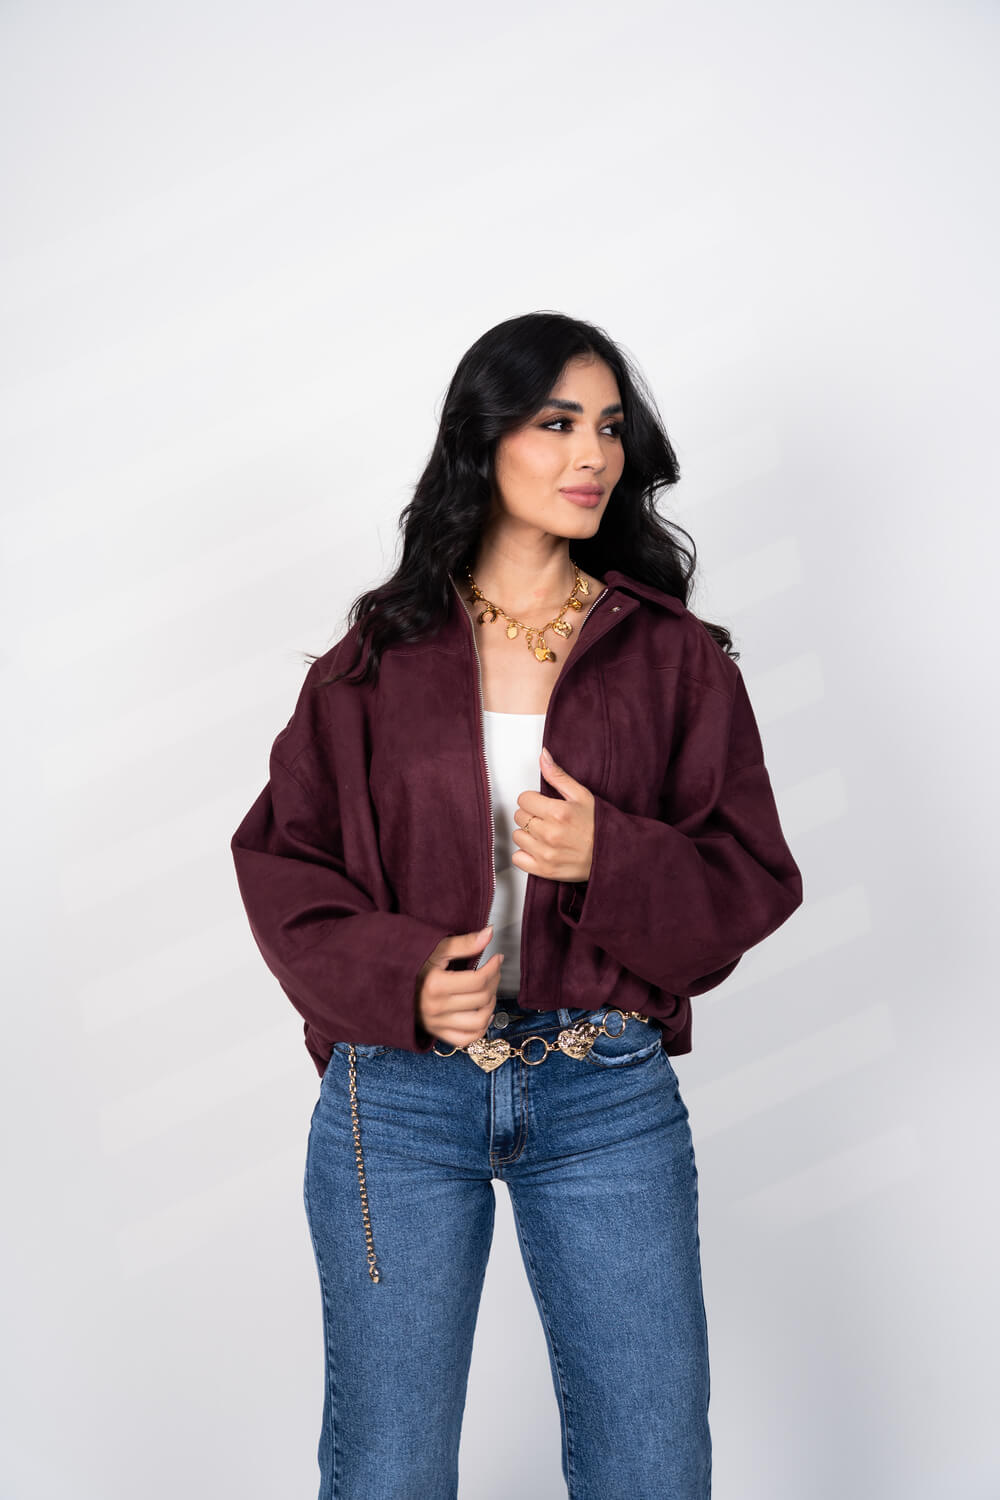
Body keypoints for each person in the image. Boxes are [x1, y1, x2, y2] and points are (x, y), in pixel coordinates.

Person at [230, 310, 803, 1500]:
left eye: (608, 427)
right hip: (395, 1098)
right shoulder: (375, 659)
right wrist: (400, 979)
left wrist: (613, 857)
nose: (592, 453)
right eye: (556, 423)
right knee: (386, 1469)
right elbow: (283, 861)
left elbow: (753, 874)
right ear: (482, 441)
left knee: (652, 1467)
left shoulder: (672, 659)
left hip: (606, 1089)